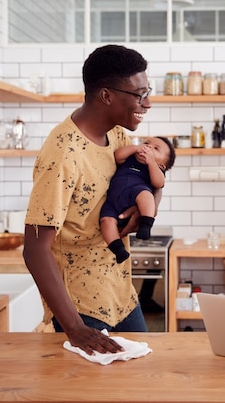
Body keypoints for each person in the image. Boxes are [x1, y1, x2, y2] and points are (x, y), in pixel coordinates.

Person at [23, 44, 157, 356]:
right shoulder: (63, 154)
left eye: (147, 91)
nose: (147, 103)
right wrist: (75, 328)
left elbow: (146, 183)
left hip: (122, 297)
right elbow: (34, 248)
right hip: (81, 311)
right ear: (106, 95)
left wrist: (143, 209)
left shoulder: (119, 137)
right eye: (139, 94)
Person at [100, 136, 176, 263]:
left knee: (145, 195)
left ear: (161, 165)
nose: (149, 147)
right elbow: (117, 156)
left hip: (135, 192)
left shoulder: (154, 169)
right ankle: (118, 248)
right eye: (146, 143)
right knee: (106, 220)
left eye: (156, 149)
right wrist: (135, 148)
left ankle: (146, 225)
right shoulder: (130, 158)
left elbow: (158, 183)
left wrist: (151, 162)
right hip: (113, 199)